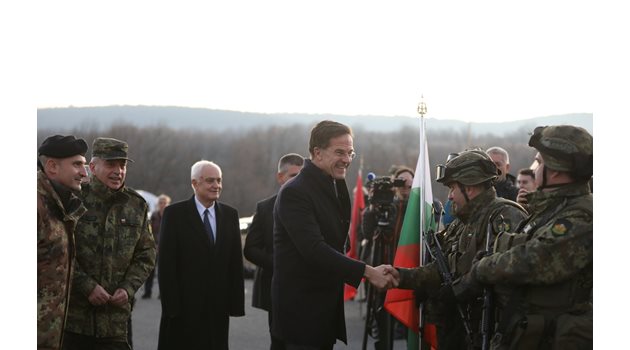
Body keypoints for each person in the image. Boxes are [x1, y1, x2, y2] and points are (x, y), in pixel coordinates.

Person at [454, 125, 593, 349]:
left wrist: (482, 268)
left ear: (555, 170)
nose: (534, 168)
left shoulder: (581, 215)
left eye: (539, 162)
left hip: (553, 336)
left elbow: (534, 259)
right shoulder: (554, 208)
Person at [272, 120, 398, 350]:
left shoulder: (334, 184)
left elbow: (339, 240)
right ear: (317, 153)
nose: (347, 159)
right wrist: (368, 272)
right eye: (339, 152)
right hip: (301, 315)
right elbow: (313, 250)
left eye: (350, 152)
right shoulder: (295, 192)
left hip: (323, 310)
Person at [390, 149, 528, 350]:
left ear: (470, 188)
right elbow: (442, 267)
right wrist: (400, 277)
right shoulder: (462, 222)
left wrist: (458, 291)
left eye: (452, 188)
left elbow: (507, 278)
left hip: (490, 335)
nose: (450, 196)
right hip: (459, 331)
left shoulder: (505, 217)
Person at [63, 137, 157, 350]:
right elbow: (60, 250)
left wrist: (129, 287)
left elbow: (147, 253)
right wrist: (86, 286)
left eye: (122, 165)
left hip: (116, 323)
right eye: (111, 164)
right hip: (75, 320)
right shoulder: (73, 199)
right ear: (93, 167)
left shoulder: (136, 205)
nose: (118, 171)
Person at [157, 160, 245, 349]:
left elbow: (234, 262)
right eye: (210, 181)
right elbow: (166, 264)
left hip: (217, 309)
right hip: (183, 310)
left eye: (219, 180)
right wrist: (171, 308)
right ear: (195, 183)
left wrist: (235, 304)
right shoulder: (174, 214)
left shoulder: (230, 215)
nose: (217, 186)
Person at [244, 153, 305, 350]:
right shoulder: (264, 208)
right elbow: (251, 249)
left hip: (309, 289)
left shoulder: (314, 205)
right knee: (279, 342)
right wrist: (280, 264)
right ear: (281, 177)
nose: (299, 181)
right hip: (276, 288)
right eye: (293, 176)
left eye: (302, 176)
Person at [37, 135, 89, 350]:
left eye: (84, 165)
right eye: (77, 164)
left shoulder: (60, 205)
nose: (84, 174)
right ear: (52, 166)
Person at [142, 194, 172, 299]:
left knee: (164, 272)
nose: (162, 204)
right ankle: (147, 292)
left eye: (164, 203)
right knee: (150, 271)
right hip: (153, 248)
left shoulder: (171, 217)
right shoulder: (153, 216)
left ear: (168, 204)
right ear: (158, 204)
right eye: (161, 202)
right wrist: (153, 245)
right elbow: (148, 232)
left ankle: (163, 293)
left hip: (167, 248)